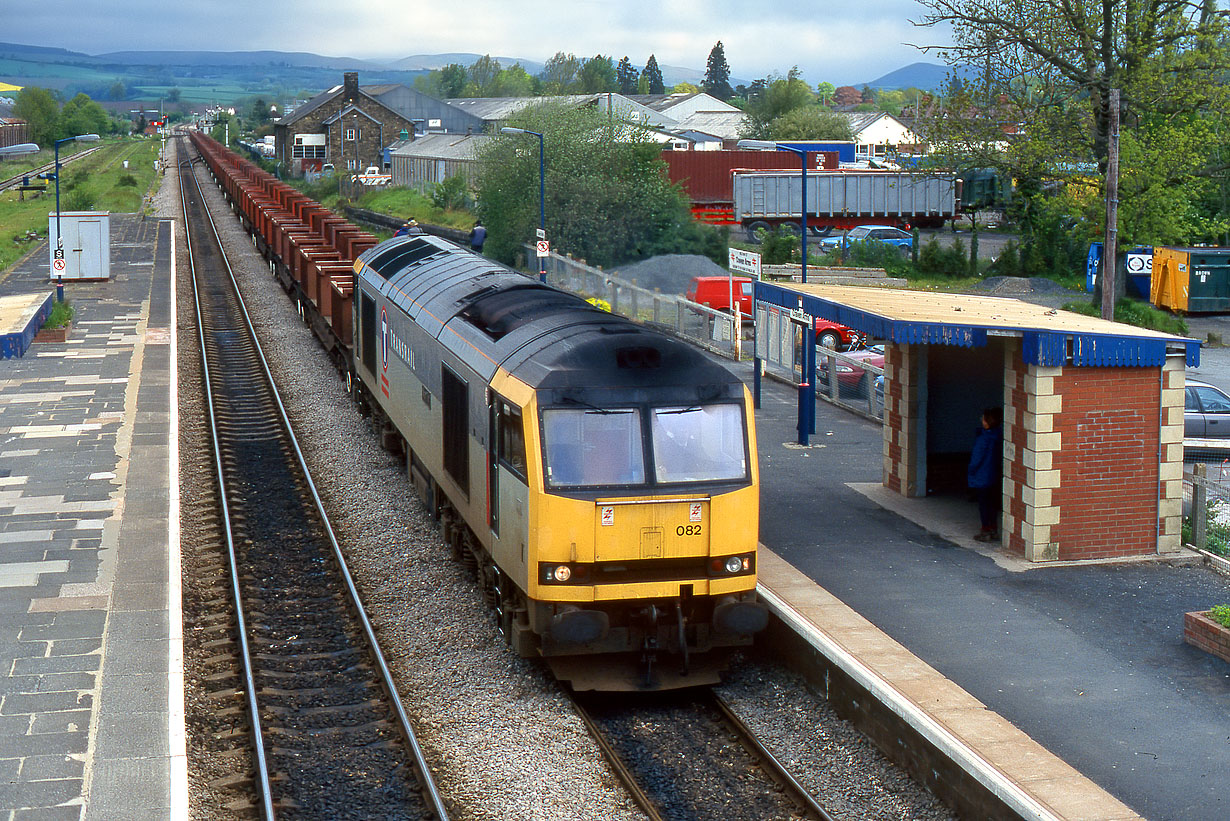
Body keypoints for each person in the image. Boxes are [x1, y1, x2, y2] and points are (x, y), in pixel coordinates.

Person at [967, 406, 1003, 541]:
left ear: (987, 421)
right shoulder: (998, 436)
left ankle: (985, 530)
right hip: (994, 475)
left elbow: (976, 459)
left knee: (983, 505)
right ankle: (993, 529)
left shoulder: (983, 439)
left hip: (982, 475)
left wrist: (971, 471)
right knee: (992, 504)